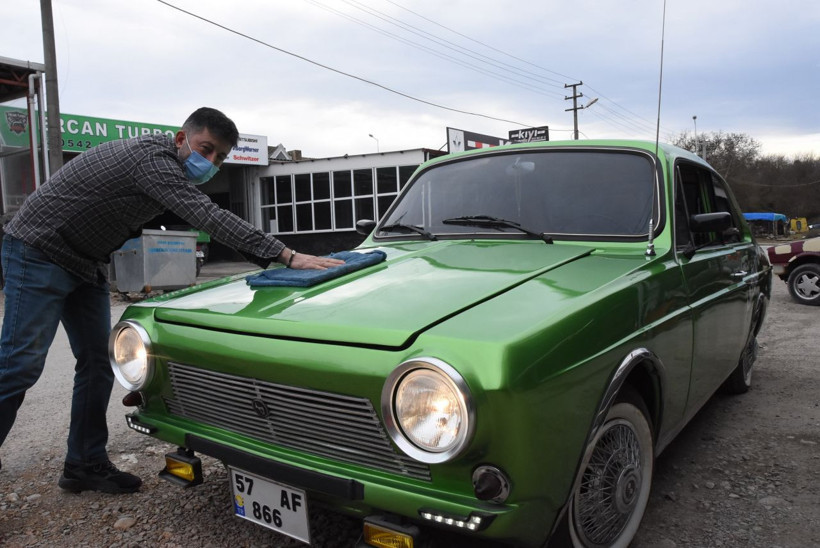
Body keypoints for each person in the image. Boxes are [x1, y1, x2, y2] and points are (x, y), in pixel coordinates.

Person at [0, 107, 343, 493]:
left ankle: (84, 463)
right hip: (38, 249)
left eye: (220, 157)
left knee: (99, 363)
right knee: (20, 364)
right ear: (181, 139)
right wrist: (286, 255)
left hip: (83, 262)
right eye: (205, 148)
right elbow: (205, 214)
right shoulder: (155, 160)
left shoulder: (167, 166)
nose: (211, 162)